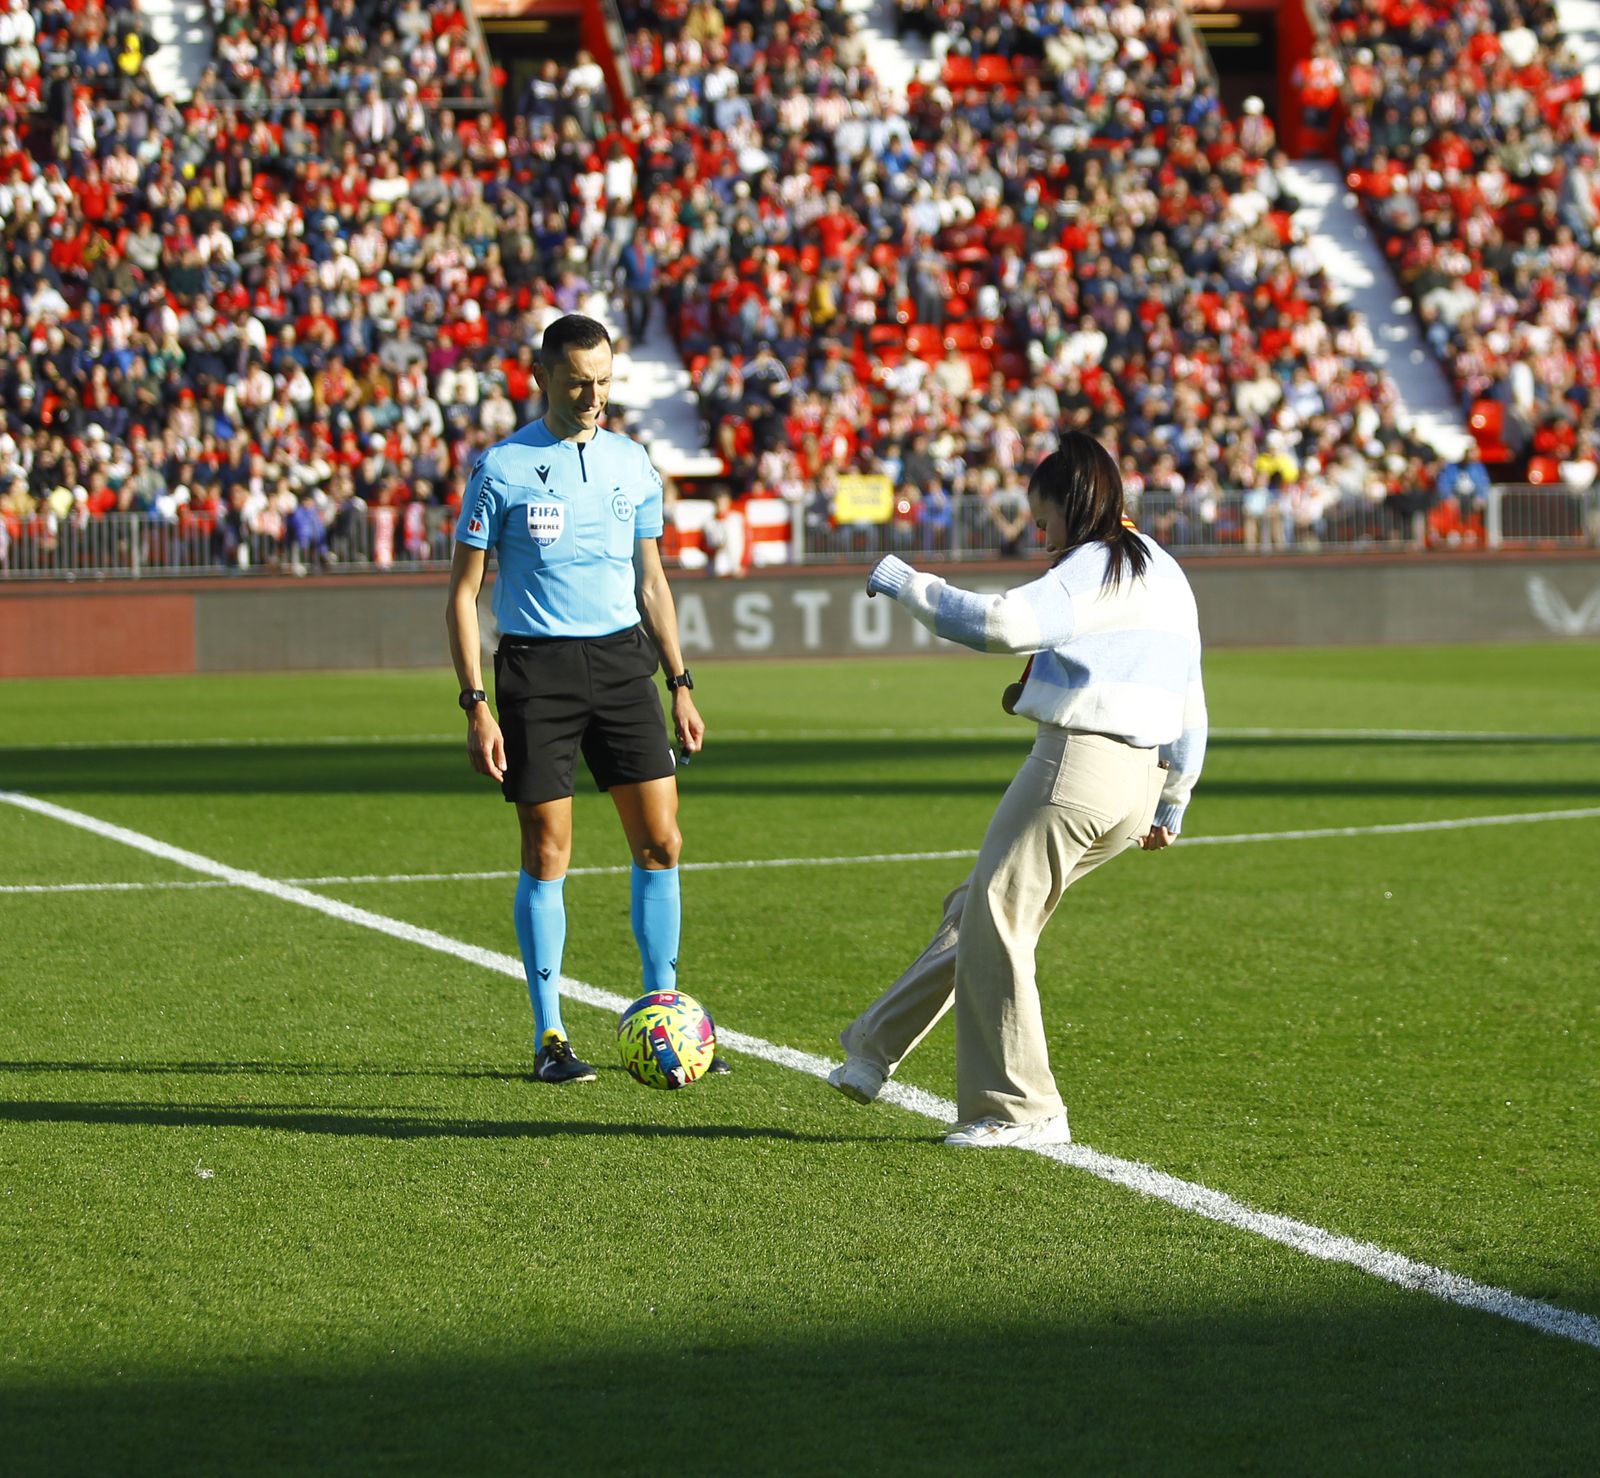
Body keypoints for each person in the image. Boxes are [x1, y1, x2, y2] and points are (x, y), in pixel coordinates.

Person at [828, 431, 1208, 1148]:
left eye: (1042, 517)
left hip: (1078, 771)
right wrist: (1174, 799)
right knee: (979, 907)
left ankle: (1022, 1110)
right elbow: (1190, 698)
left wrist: (907, 583)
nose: (1038, 533)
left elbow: (1003, 624)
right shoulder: (1164, 567)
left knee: (999, 921)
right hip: (1138, 784)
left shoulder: (1096, 563)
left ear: (1072, 502)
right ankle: (873, 1049)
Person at [445, 313, 721, 1084]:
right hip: (537, 674)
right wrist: (475, 704)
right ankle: (551, 1037)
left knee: (662, 843)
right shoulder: (499, 469)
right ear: (541, 378)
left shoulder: (634, 464)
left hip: (623, 663)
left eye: (603, 381)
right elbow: (463, 596)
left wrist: (681, 683)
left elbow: (653, 581)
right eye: (578, 382)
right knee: (547, 852)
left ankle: (663, 1011)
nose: (594, 395)